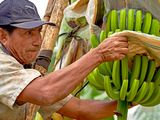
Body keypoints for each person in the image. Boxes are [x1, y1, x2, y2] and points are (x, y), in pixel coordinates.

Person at [0, 0, 129, 119]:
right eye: (28, 33)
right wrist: (99, 54)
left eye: (38, 31)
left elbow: (80, 109)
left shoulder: (27, 70)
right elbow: (45, 92)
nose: (38, 41)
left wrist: (131, 100)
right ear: (3, 36)